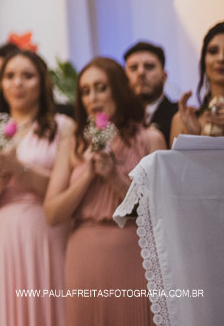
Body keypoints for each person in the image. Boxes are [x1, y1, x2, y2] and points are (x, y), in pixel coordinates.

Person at [0, 48, 72, 326]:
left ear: (43, 83)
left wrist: (21, 170)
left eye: (27, 76)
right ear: (0, 84)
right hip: (0, 234)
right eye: (9, 76)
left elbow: (67, 191)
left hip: (45, 229)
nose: (17, 83)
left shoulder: (62, 127)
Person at [44, 57, 165, 326]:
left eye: (101, 87)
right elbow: (52, 214)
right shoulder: (73, 142)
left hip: (134, 251)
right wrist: (87, 174)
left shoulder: (150, 139)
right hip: (84, 254)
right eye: (85, 91)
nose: (92, 98)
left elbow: (160, 212)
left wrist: (114, 176)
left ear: (119, 90)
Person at [171, 20, 224, 141]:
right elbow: (173, 161)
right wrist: (193, 137)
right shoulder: (183, 119)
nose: (221, 58)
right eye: (213, 51)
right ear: (203, 60)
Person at [123, 40, 178, 145]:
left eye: (149, 66)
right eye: (133, 68)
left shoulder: (179, 115)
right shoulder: (119, 119)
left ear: (164, 76)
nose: (141, 72)